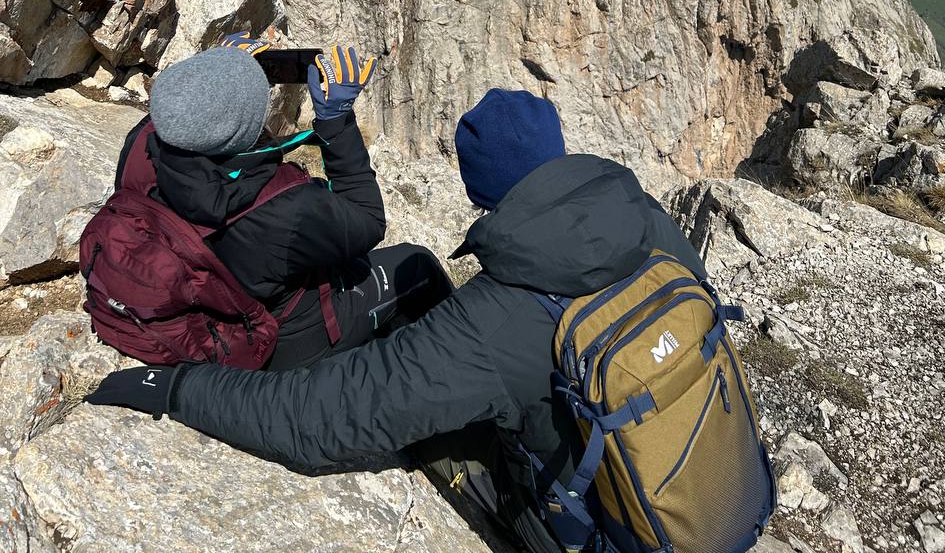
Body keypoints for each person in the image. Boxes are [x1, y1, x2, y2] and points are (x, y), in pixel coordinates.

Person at [89, 88, 707, 553]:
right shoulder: (649, 220)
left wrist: (178, 387)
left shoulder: (487, 325)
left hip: (602, 530)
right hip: (708, 484)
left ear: (476, 192)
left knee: (442, 436)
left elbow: (315, 419)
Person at [108, 34, 451, 370]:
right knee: (418, 264)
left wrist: (217, 72)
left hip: (203, 301)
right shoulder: (283, 206)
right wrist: (336, 123)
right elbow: (368, 220)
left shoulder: (141, 145)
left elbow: (175, 114)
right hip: (285, 341)